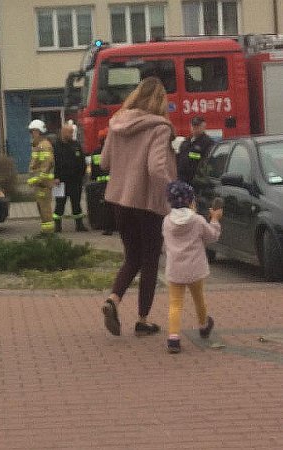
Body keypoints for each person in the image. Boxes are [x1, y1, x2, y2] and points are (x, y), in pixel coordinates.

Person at [100, 76, 177, 337]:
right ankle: (143, 320)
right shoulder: (160, 127)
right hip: (148, 203)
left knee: (132, 256)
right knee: (150, 259)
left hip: (120, 201)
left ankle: (113, 299)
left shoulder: (117, 123)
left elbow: (104, 162)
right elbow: (156, 169)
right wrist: (174, 191)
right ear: (160, 100)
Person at [163, 180, 222, 353]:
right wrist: (215, 220)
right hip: (195, 269)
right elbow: (212, 236)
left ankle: (173, 338)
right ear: (190, 201)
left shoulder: (167, 221)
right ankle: (203, 325)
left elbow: (164, 242)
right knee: (199, 299)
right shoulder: (197, 220)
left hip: (175, 270)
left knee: (175, 303)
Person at [53, 122, 88, 232]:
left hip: (75, 180)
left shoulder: (76, 145)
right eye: (69, 132)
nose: (72, 134)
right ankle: (57, 226)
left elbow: (82, 161)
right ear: (63, 132)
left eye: (72, 132)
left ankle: (79, 225)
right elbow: (52, 164)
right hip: (60, 181)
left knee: (76, 203)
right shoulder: (56, 146)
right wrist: (55, 177)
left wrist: (81, 175)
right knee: (60, 204)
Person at [27, 119, 55, 234]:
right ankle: (45, 232)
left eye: (32, 131)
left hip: (43, 183)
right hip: (40, 184)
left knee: (45, 209)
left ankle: (49, 234)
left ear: (38, 131)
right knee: (42, 208)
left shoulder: (44, 146)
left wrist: (35, 179)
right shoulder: (39, 145)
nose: (31, 134)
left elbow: (46, 166)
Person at [90, 127, 115, 235]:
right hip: (113, 182)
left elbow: (95, 169)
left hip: (102, 184)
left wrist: (94, 179)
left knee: (106, 206)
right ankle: (114, 226)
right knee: (114, 206)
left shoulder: (96, 152)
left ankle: (108, 228)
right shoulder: (114, 150)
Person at [177, 116, 214, 185]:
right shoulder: (186, 141)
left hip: (196, 180)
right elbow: (180, 155)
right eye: (193, 126)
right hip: (182, 179)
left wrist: (190, 155)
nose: (194, 128)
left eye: (197, 126)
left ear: (203, 126)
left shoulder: (208, 142)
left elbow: (205, 158)